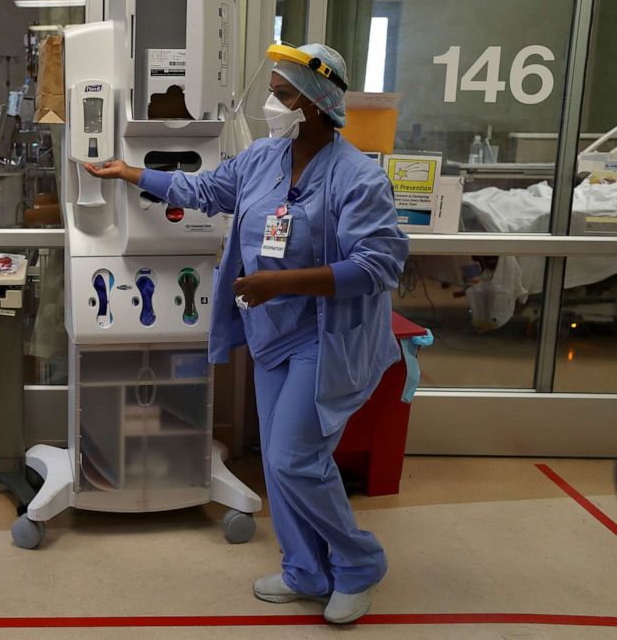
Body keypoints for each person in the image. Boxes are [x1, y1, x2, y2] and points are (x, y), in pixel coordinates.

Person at [85, 43, 408, 624]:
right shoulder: (262, 158)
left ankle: (359, 563)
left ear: (314, 103)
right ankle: (304, 570)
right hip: (272, 332)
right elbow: (206, 192)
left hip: (324, 335)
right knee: (285, 462)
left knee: (293, 460)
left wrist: (281, 284)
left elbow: (379, 265)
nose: (272, 105)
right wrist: (131, 173)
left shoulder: (358, 179)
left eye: (282, 96)